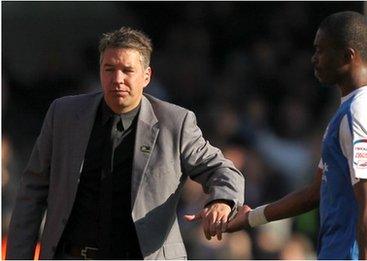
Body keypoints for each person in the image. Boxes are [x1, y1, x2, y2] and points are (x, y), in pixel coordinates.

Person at [6, 27, 244, 260]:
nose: (117, 79)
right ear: (99, 71)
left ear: (146, 76)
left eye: (127, 70)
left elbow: (222, 169)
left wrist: (221, 200)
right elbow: (32, 192)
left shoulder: (175, 123)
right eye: (109, 69)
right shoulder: (64, 115)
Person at [225, 11, 367, 260]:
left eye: (321, 50)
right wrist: (251, 218)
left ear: (347, 56)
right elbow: (316, 192)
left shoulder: (360, 115)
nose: (314, 58)